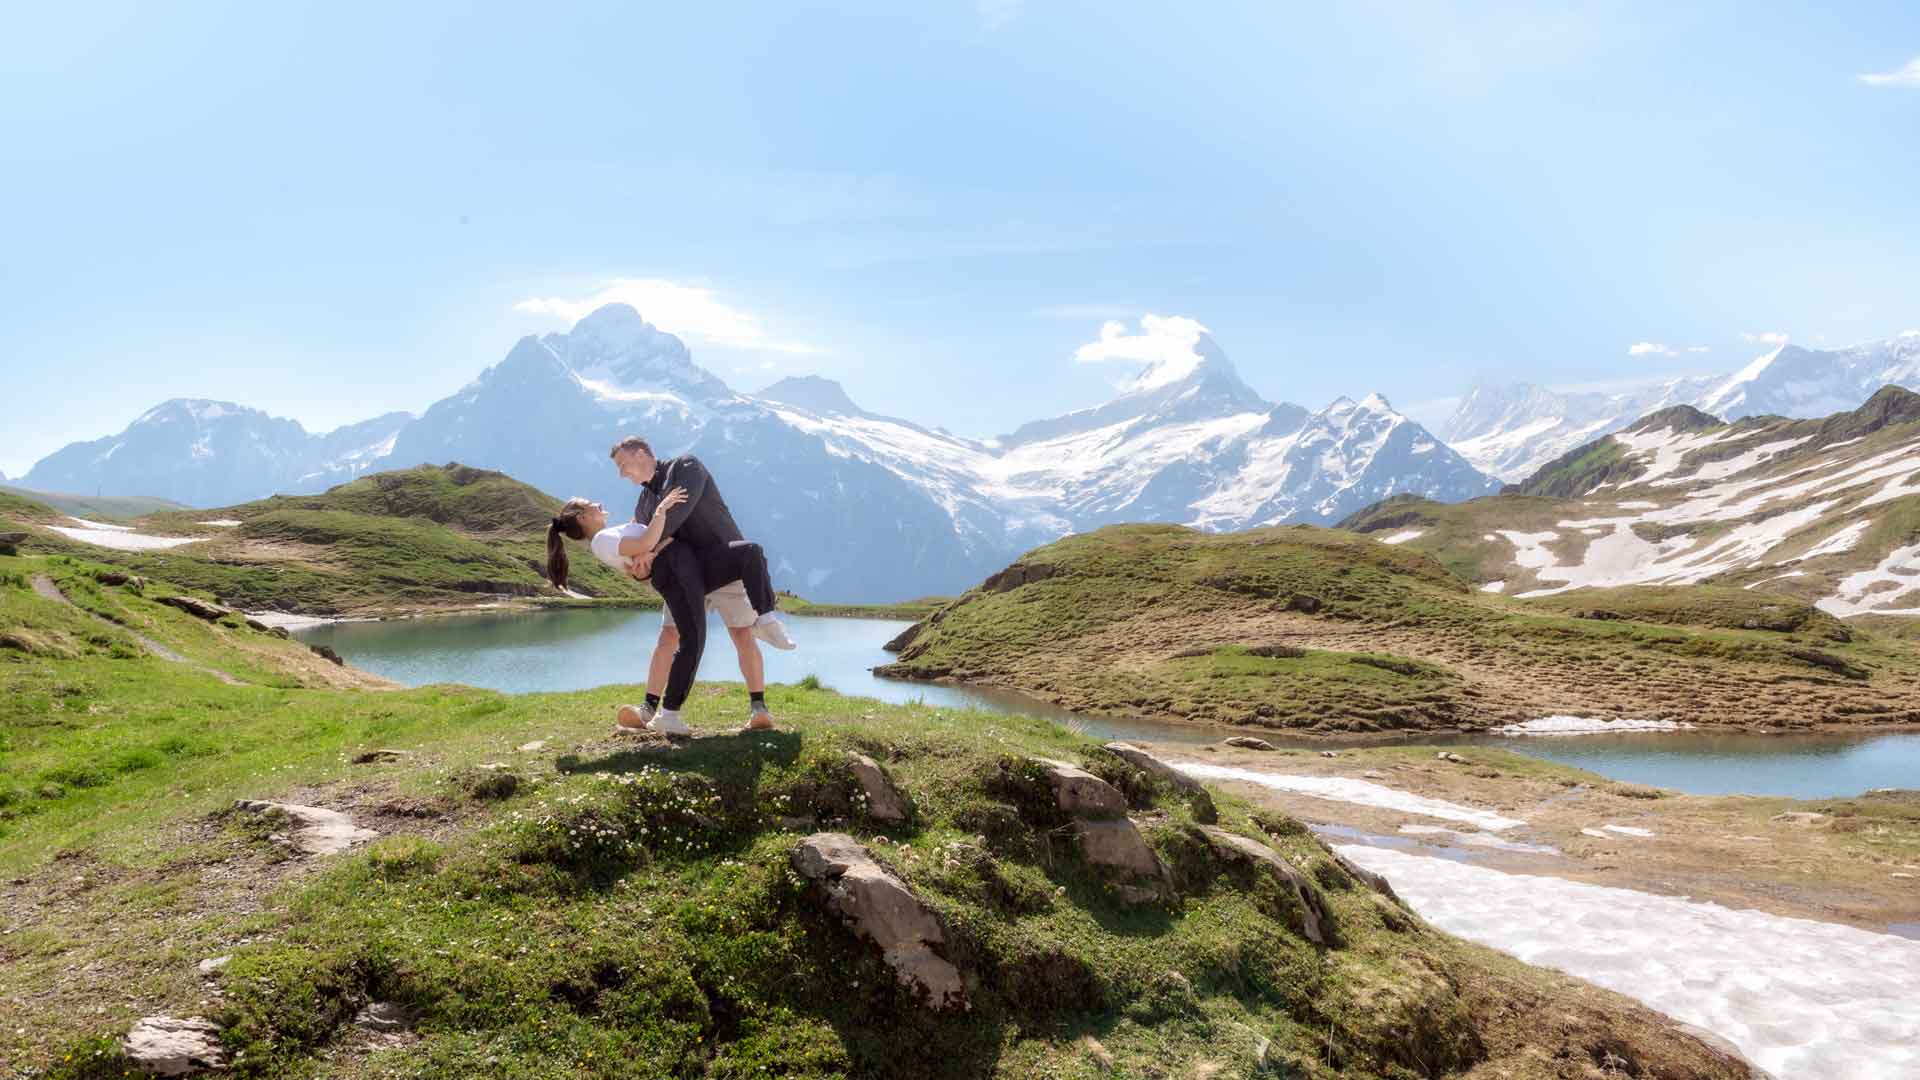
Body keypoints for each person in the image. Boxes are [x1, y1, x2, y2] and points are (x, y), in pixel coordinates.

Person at [610, 436, 796, 733]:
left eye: (623, 464)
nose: (622, 473)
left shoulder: (685, 467)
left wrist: (648, 548)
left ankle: (759, 709)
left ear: (642, 453)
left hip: (722, 562)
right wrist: (643, 557)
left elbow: (675, 516)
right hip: (684, 574)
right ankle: (647, 709)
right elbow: (650, 539)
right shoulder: (644, 501)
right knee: (668, 637)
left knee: (742, 634)